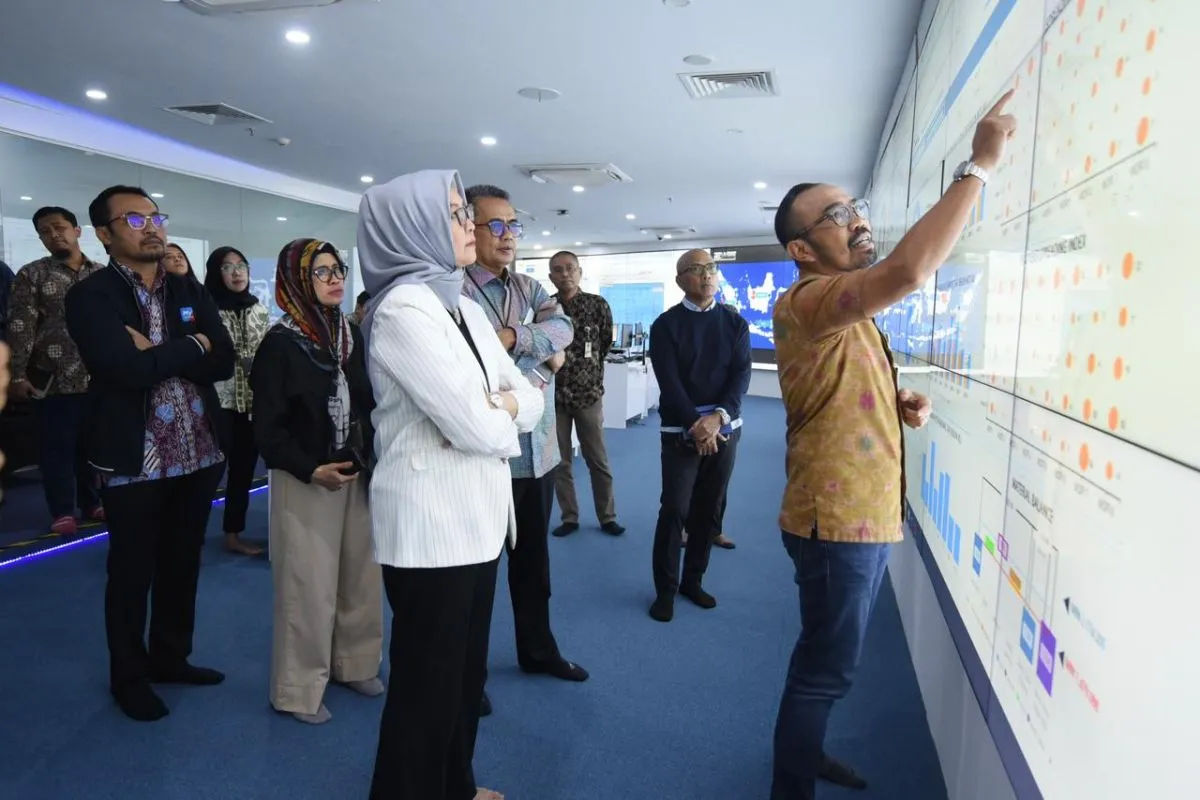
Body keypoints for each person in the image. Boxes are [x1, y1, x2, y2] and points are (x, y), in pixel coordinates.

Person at [767, 92, 1017, 800]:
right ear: (801, 249)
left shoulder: (843, 308)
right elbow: (909, 272)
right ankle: (792, 782)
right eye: (836, 215)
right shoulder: (808, 299)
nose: (858, 220)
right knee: (825, 669)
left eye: (855, 206)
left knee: (825, 660)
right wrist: (980, 167)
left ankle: (805, 751)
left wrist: (893, 404)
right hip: (837, 523)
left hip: (858, 516)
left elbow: (841, 383)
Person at [359, 170, 542, 800]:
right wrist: (504, 409)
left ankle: (455, 787)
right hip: (432, 526)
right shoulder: (402, 308)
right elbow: (476, 425)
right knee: (426, 690)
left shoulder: (458, 302)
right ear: (412, 226)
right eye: (459, 213)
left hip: (480, 520)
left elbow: (527, 393)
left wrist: (506, 404)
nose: (470, 224)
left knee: (464, 680)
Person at [64, 185, 234, 722]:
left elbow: (224, 360)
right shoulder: (91, 297)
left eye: (155, 217)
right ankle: (129, 678)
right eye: (135, 220)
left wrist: (161, 351)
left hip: (199, 451)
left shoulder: (186, 288)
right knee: (131, 572)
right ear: (104, 233)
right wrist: (193, 346)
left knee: (182, 564)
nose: (152, 227)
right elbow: (124, 370)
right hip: (134, 459)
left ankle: (170, 658)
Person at [251, 238, 384, 725]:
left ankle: (355, 663)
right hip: (306, 478)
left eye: (338, 269)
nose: (335, 279)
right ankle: (297, 689)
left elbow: (367, 402)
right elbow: (267, 427)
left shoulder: (349, 335)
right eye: (321, 272)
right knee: (308, 586)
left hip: (356, 472)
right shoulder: (280, 343)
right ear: (295, 280)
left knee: (361, 577)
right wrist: (310, 469)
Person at [463, 184, 588, 701]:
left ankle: (538, 651)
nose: (508, 235)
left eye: (513, 225)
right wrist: (542, 357)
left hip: (538, 455)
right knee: (476, 579)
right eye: (495, 225)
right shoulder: (454, 292)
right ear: (468, 229)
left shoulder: (532, 286)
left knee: (534, 569)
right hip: (485, 460)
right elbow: (471, 363)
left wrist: (514, 339)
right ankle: (469, 679)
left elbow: (564, 330)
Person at [647, 249, 751, 623]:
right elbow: (670, 382)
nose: (706, 275)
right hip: (680, 428)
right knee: (675, 508)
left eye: (711, 268)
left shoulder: (735, 323)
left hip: (724, 429)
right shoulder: (665, 325)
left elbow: (740, 376)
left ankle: (693, 581)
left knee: (708, 509)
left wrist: (718, 418)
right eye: (696, 269)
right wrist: (698, 422)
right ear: (680, 281)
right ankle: (665, 590)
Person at [6, 206, 104, 533]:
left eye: (59, 227)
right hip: (51, 378)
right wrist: (17, 375)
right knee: (56, 450)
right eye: (45, 231)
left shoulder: (101, 274)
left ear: (77, 231)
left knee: (94, 447)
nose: (54, 235)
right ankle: (62, 510)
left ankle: (92, 502)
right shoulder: (31, 274)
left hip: (98, 376)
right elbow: (20, 326)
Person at [545, 250, 624, 538]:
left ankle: (607, 516)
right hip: (555, 397)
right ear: (551, 276)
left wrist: (587, 373)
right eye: (558, 269)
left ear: (580, 272)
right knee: (560, 462)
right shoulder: (545, 308)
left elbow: (605, 344)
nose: (565, 274)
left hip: (588, 396)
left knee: (597, 460)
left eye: (570, 268)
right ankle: (569, 517)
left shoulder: (597, 304)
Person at [204, 247, 270, 556]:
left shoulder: (259, 308)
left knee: (243, 472)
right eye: (227, 267)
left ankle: (233, 534)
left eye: (241, 265)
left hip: (252, 403)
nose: (236, 272)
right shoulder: (207, 310)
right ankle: (186, 536)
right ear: (216, 273)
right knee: (207, 475)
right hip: (217, 404)